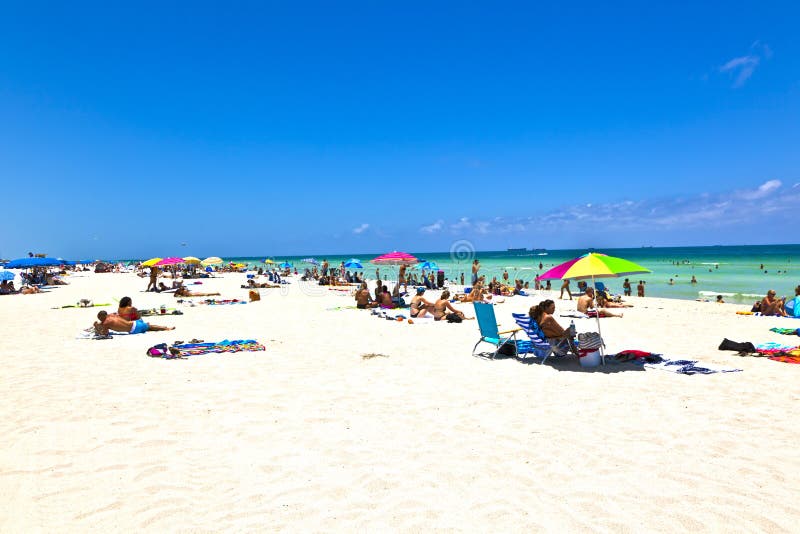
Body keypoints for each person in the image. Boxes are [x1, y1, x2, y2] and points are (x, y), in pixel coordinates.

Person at [93, 310, 174, 335]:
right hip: (135, 322)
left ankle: (166, 328)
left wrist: (97, 327)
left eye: (100, 319)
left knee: (149, 328)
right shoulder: (112, 315)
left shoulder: (106, 323)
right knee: (149, 327)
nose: (100, 320)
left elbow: (104, 334)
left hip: (133, 329)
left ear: (102, 317)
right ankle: (166, 328)